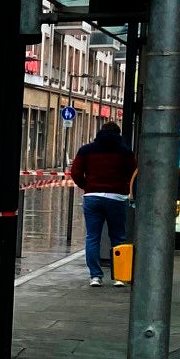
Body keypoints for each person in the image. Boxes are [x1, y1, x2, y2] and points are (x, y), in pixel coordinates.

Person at [69, 120, 137, 287]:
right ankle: (120, 276)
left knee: (92, 237)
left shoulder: (86, 150)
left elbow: (76, 172)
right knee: (118, 237)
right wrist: (125, 187)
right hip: (116, 198)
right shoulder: (125, 151)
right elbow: (134, 173)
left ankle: (95, 276)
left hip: (92, 197)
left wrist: (88, 186)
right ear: (118, 134)